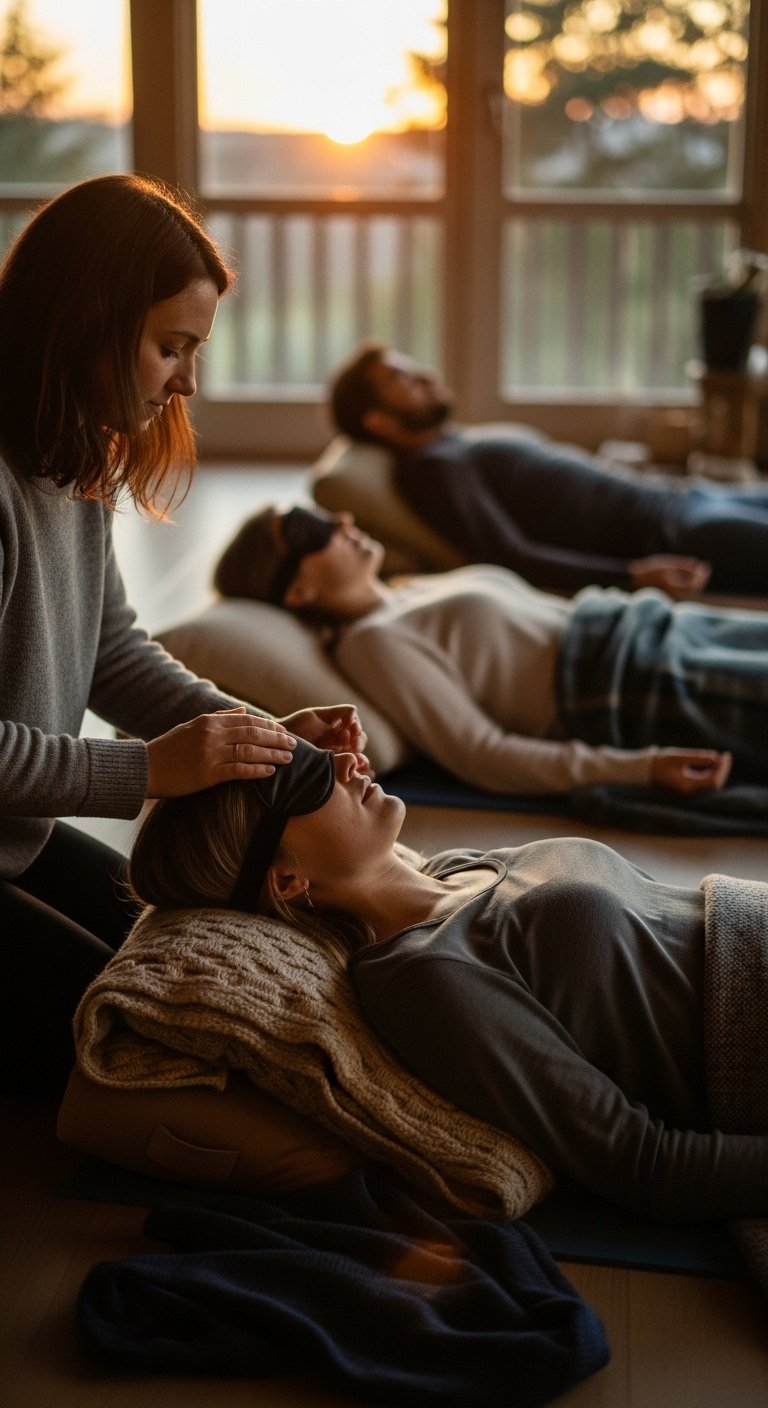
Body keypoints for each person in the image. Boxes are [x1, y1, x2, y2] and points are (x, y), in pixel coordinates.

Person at [0, 174, 366, 1097]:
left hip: (16, 836)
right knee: (146, 1047)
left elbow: (112, 652)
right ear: (86, 322)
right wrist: (149, 771)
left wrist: (263, 736)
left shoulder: (68, 461)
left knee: (194, 985)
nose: (188, 381)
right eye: (173, 347)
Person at [126, 746, 768, 1223]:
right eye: (310, 777)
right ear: (288, 880)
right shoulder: (422, 979)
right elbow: (641, 1162)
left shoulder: (459, 867)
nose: (348, 760)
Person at [209, 503, 768, 800]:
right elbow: (483, 752)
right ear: (297, 591)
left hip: (647, 626)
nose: (342, 521)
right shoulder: (371, 644)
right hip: (629, 680)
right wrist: (642, 768)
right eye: (311, 529)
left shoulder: (408, 591)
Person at [328, 339, 768, 598]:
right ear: (380, 422)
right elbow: (508, 556)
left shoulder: (454, 443)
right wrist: (633, 576)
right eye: (402, 381)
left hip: (683, 495)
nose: (424, 376)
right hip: (671, 530)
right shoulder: (432, 468)